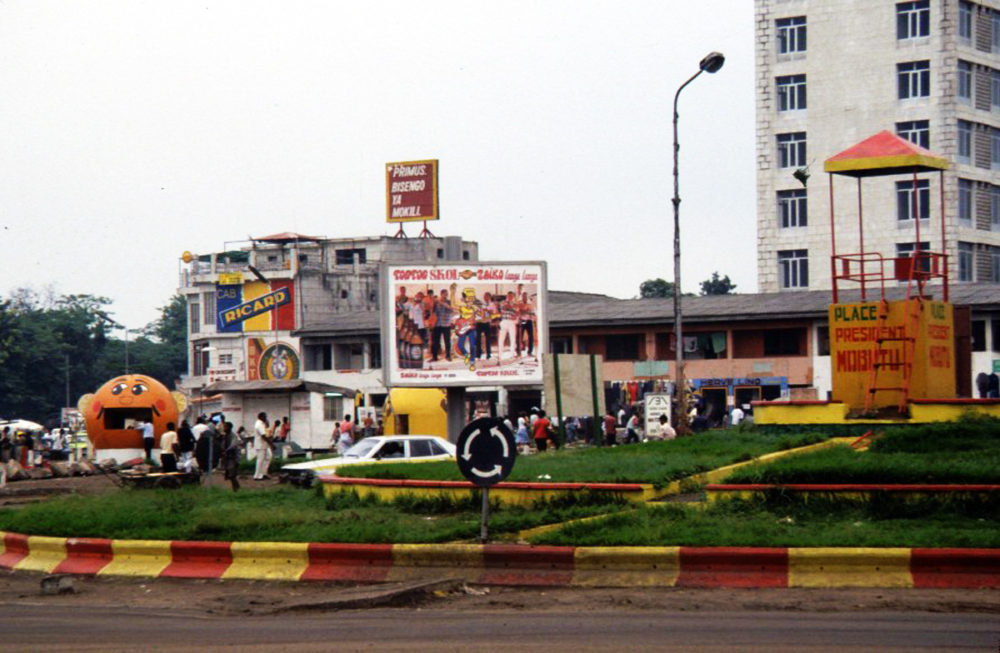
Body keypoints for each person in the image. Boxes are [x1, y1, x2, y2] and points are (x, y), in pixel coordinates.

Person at [497, 291, 519, 361]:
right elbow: (504, 308)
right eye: (509, 296)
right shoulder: (502, 302)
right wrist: (513, 309)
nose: (510, 297)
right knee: (501, 339)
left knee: (513, 339)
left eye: (511, 296)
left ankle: (512, 354)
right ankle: (500, 355)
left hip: (512, 322)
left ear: (513, 297)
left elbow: (517, 313)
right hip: (504, 321)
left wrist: (515, 314)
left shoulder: (515, 304)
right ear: (507, 296)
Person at [221, 421, 241, 491]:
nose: (224, 428)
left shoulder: (233, 436)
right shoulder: (225, 436)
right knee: (230, 475)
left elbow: (233, 446)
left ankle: (236, 488)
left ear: (229, 427)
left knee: (232, 475)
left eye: (225, 427)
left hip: (233, 458)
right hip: (228, 458)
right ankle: (236, 488)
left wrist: (225, 451)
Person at [253, 412, 272, 480]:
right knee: (260, 460)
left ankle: (264, 473)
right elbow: (263, 436)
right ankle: (257, 476)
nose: (265, 418)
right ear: (260, 417)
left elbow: (267, 427)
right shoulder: (259, 424)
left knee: (268, 457)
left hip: (264, 445)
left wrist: (266, 422)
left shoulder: (262, 423)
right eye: (265, 417)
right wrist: (271, 444)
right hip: (260, 445)